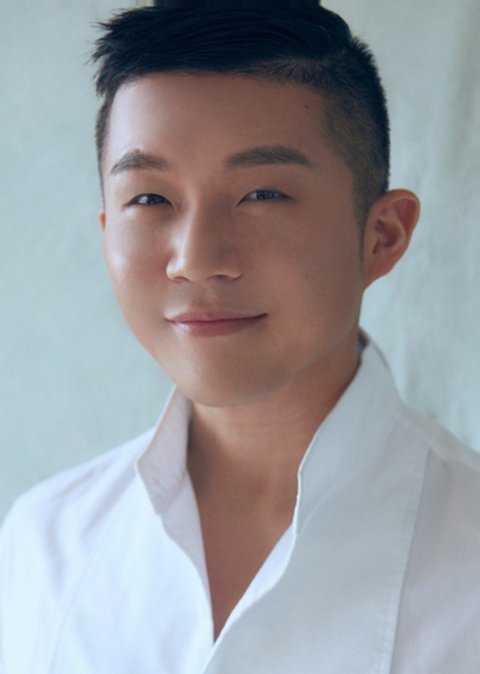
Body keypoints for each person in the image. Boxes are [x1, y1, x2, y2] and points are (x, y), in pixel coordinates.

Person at [1, 1, 479, 672]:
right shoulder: (43, 544)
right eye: (150, 199)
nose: (196, 259)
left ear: (382, 236)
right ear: (107, 228)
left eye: (263, 194)